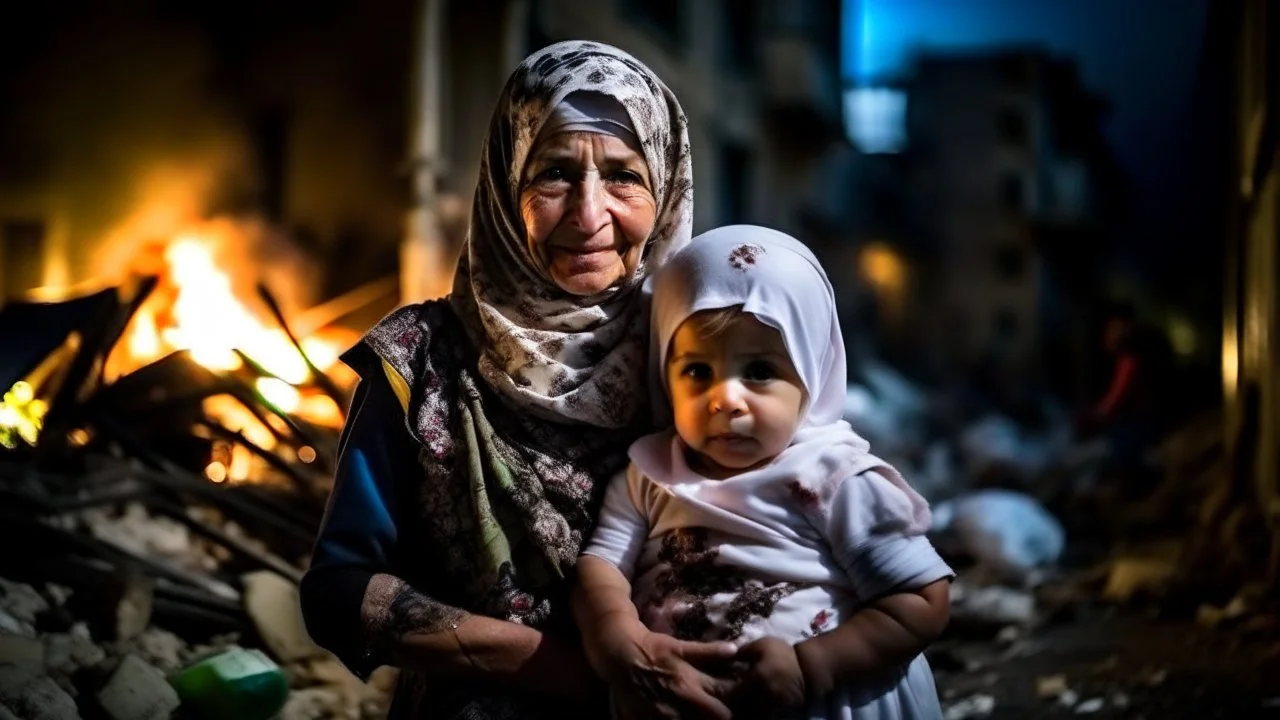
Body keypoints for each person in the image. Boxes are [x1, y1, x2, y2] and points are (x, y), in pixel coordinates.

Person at [300, 41, 736, 719]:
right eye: (555, 173)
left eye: (624, 176)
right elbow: (338, 591)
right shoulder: (418, 360)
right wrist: (588, 675)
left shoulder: (694, 360)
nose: (588, 216)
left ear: (668, 188)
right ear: (506, 185)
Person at [575, 225, 954, 719]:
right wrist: (614, 634)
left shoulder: (833, 478)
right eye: (696, 371)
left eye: (758, 371)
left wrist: (812, 666)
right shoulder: (649, 474)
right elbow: (601, 567)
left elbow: (921, 601)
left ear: (811, 373)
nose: (725, 400)